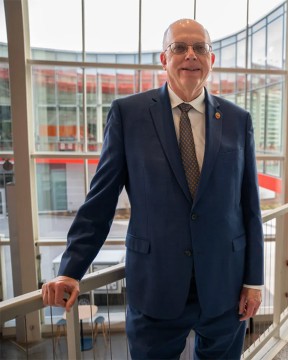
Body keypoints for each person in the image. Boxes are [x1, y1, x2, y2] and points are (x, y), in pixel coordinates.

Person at [41, 19, 264, 359]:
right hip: (156, 288)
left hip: (225, 288)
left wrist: (254, 280)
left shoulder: (238, 119)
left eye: (200, 48)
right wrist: (71, 270)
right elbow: (100, 200)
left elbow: (249, 206)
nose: (191, 55)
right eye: (179, 47)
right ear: (163, 59)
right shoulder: (128, 115)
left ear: (211, 58)